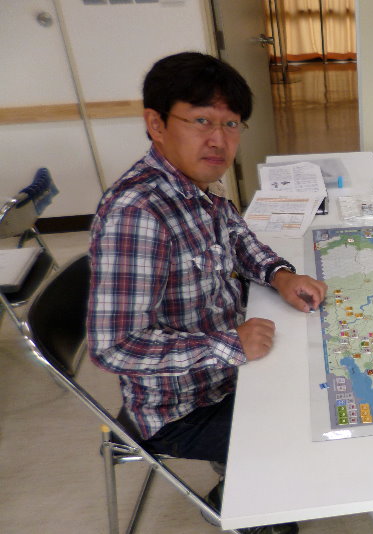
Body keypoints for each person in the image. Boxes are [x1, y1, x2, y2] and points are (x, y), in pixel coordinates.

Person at [87, 52, 326, 534]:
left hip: (230, 373)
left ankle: (250, 482)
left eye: (231, 124)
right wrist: (230, 344)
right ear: (156, 124)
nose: (219, 140)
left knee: (322, 382)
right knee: (314, 433)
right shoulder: (138, 214)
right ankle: (237, 500)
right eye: (201, 121)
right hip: (182, 408)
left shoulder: (200, 186)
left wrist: (280, 275)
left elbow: (238, 241)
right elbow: (114, 347)